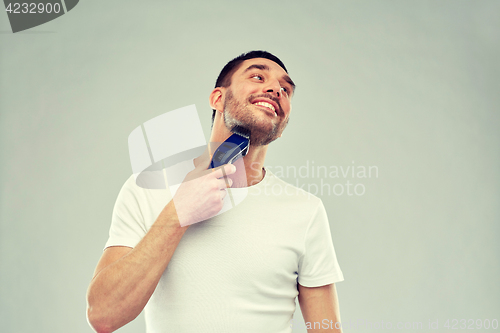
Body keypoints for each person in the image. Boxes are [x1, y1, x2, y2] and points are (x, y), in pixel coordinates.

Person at [86, 50, 344, 333]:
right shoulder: (146, 189)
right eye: (258, 76)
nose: (275, 89)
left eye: (286, 89)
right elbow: (104, 315)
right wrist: (178, 213)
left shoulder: (305, 210)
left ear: (281, 125)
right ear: (217, 99)